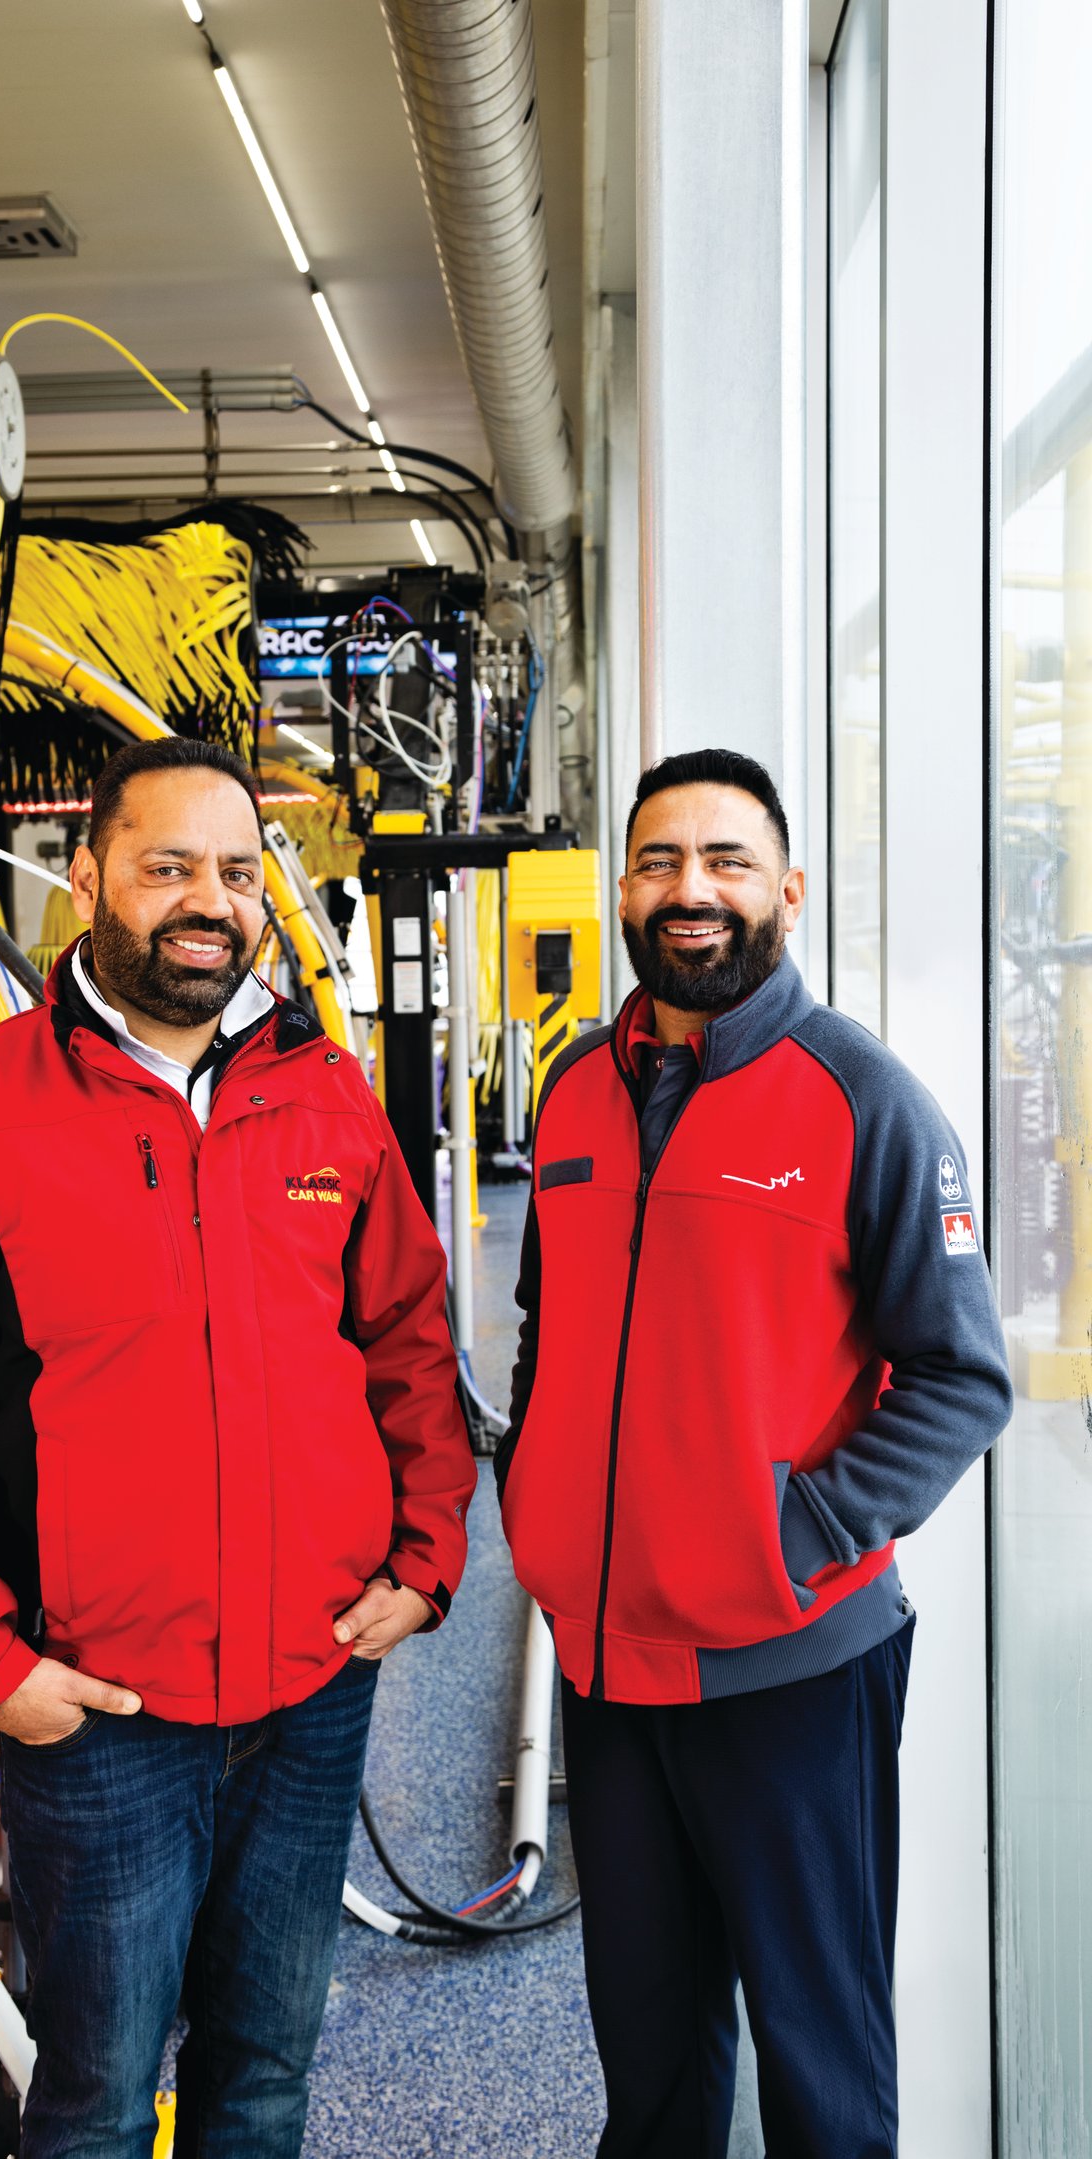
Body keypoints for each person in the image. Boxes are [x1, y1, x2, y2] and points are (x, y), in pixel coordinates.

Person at [0, 736, 475, 2158]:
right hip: (100, 1709)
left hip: (311, 1687)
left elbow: (411, 1353)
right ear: (85, 883)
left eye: (237, 872)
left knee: (264, 2075)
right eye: (168, 866)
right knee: (97, 2100)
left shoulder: (326, 1096)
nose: (209, 900)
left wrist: (426, 1563)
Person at [496, 747, 1012, 2158]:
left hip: (793, 1666)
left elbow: (963, 1378)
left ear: (785, 891)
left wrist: (793, 1533)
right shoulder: (573, 1098)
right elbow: (551, 1335)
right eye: (661, 861)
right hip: (608, 1664)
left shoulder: (863, 1099)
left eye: (725, 862)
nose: (691, 890)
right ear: (623, 891)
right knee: (651, 2064)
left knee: (819, 2063)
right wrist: (535, 1508)